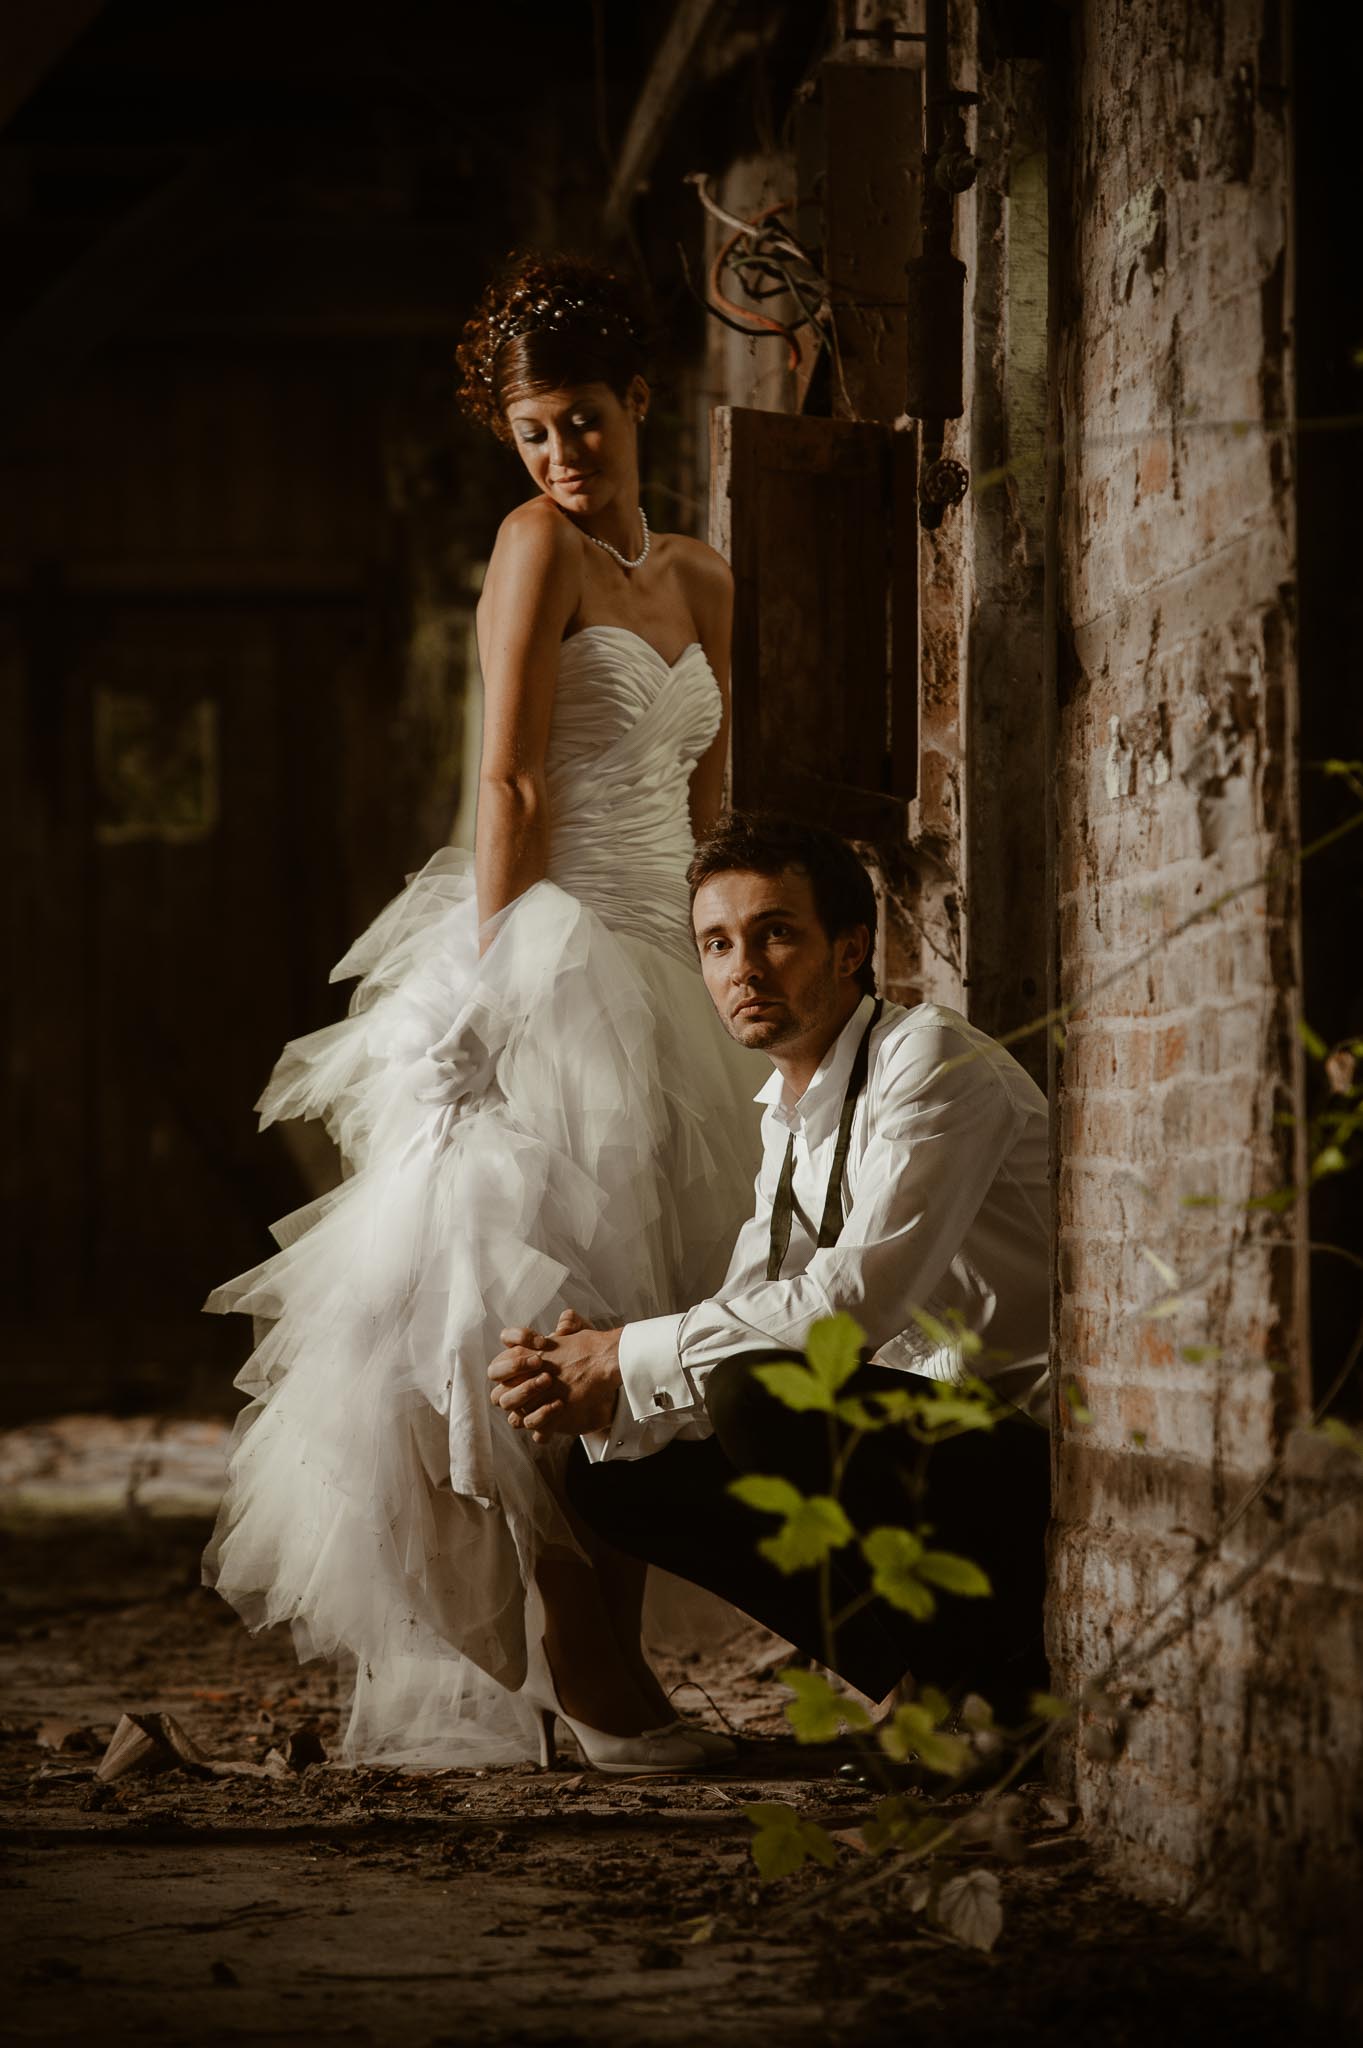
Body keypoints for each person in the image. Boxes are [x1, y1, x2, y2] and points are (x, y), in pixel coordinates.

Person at [203, 254, 764, 1773]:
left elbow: (713, 798)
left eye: (581, 421)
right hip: (553, 955)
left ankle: (608, 1666)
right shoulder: (533, 549)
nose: (559, 455)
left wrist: (726, 965)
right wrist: (491, 983)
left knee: (641, 1333)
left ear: (641, 403)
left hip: (669, 968)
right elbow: (509, 780)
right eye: (532, 432)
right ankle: (584, 1669)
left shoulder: (705, 576)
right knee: (531, 1322)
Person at [490, 813, 1053, 1718]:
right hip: (920, 1448)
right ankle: (925, 1681)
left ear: (849, 948)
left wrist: (627, 1353)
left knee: (755, 1397)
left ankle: (991, 1680)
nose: (742, 970)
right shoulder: (786, 1110)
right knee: (614, 1473)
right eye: (717, 944)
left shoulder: (930, 1059)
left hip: (1017, 1459)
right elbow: (752, 1305)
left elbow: (848, 1311)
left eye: (775, 933)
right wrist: (587, 1376)